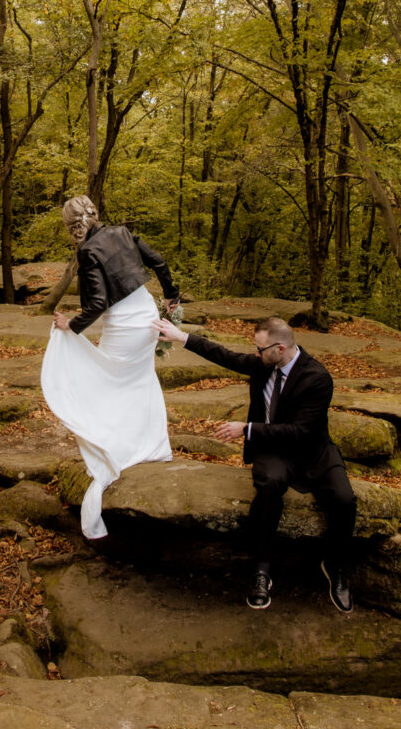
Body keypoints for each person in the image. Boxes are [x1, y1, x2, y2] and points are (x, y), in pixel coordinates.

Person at [152, 314, 357, 612]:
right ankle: (262, 569)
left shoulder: (318, 378)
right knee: (270, 486)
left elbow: (301, 431)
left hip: (313, 451)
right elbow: (223, 355)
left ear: (280, 349)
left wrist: (247, 429)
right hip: (272, 450)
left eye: (260, 349)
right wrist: (180, 336)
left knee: (345, 499)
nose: (255, 353)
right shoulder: (263, 365)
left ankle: (336, 566)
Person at [41, 196, 180, 539]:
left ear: (71, 225)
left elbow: (99, 304)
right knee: (138, 380)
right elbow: (159, 262)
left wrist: (69, 325)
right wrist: (171, 297)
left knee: (104, 382)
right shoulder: (122, 231)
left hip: (124, 326)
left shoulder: (88, 252)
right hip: (147, 315)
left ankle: (116, 450)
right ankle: (150, 446)